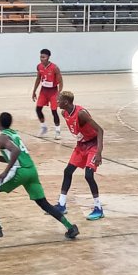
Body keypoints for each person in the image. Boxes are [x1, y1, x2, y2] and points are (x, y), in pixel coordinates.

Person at [0, 112, 79, 239]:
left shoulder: (2, 138)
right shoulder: (14, 134)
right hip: (31, 170)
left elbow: (16, 151)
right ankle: (70, 227)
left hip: (19, 171)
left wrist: (5, 171)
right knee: (43, 202)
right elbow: (13, 156)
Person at [54, 91, 104, 220]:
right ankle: (61, 204)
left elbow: (100, 130)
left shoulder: (81, 114)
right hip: (81, 145)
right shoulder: (64, 113)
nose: (57, 101)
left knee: (88, 175)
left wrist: (99, 153)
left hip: (92, 145)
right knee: (68, 171)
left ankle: (99, 208)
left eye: (59, 100)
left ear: (66, 102)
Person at [32, 48, 63, 140]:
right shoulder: (39, 66)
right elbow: (38, 78)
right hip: (43, 91)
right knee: (38, 109)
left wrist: (59, 93)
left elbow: (61, 82)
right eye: (40, 57)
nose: (41, 59)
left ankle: (57, 131)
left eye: (44, 57)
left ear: (48, 57)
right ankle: (43, 127)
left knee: (54, 111)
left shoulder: (54, 68)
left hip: (53, 91)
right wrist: (34, 91)